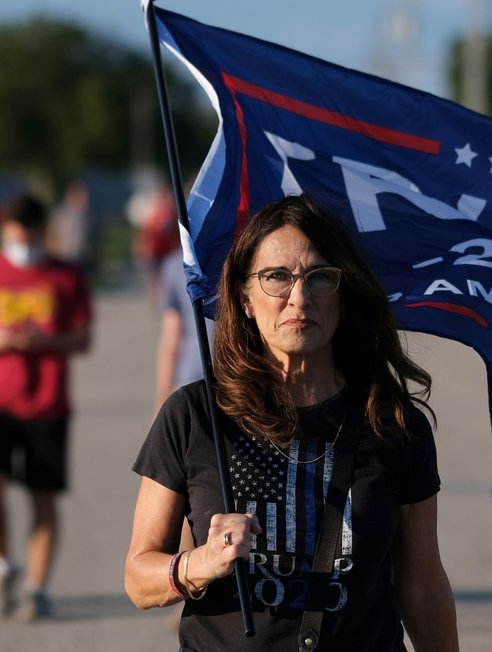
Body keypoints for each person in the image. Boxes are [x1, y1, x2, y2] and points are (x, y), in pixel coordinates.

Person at [125, 195, 459, 650]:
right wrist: (199, 563)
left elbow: (423, 588)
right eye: (276, 277)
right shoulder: (194, 416)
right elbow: (138, 578)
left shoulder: (396, 424)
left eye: (320, 278)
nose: (298, 299)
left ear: (345, 295)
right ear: (244, 298)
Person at [0, 192, 93, 622]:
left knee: (44, 501)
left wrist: (44, 342)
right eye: (15, 235)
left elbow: (84, 339)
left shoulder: (67, 276)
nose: (22, 243)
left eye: (30, 235)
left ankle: (37, 588)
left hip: (48, 404)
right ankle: (2, 565)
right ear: (4, 232)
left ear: (42, 232)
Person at [152, 246, 215, 416]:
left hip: (233, 380)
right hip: (194, 376)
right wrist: (162, 400)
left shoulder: (174, 265)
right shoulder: (174, 266)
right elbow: (171, 338)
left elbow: (171, 338)